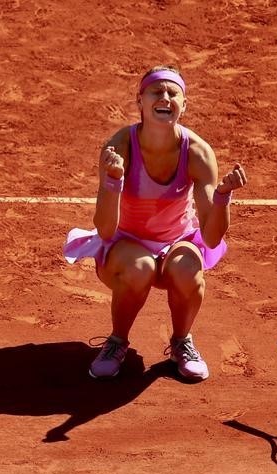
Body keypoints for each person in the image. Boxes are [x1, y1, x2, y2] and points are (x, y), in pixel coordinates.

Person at [63, 65, 247, 381]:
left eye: (172, 93)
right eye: (156, 92)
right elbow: (106, 229)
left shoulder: (199, 153)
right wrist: (114, 181)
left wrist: (222, 198)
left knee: (188, 269)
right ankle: (117, 342)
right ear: (140, 101)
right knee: (140, 267)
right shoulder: (119, 145)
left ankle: (181, 342)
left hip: (177, 242)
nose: (165, 98)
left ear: (184, 104)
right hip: (125, 247)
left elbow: (212, 238)